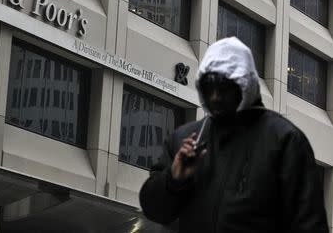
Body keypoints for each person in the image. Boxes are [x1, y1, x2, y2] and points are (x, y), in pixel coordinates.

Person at [139, 37, 328, 233]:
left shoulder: (285, 141)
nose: (215, 97)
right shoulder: (184, 139)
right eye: (209, 88)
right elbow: (155, 211)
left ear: (245, 85)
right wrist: (174, 180)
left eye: (224, 88)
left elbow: (309, 225)